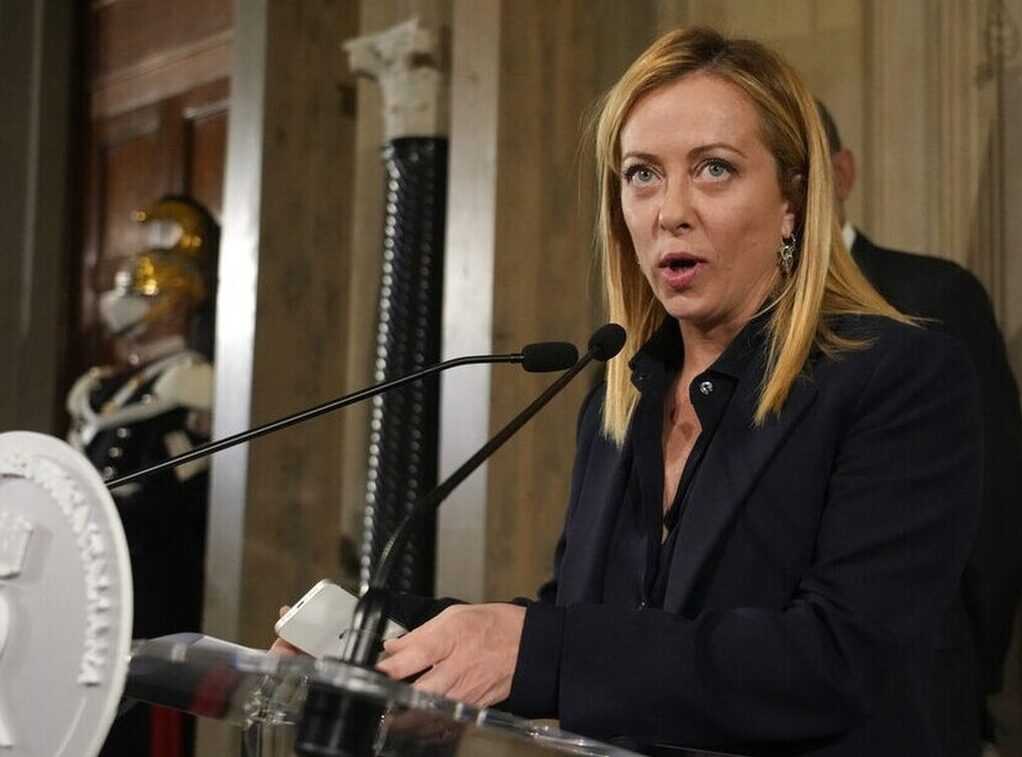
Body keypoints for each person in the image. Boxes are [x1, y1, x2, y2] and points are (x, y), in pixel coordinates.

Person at [302, 28, 981, 755]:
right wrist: (380, 635)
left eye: (714, 169)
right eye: (642, 175)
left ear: (794, 198)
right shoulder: (619, 399)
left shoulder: (898, 378)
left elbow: (838, 660)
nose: (669, 211)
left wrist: (537, 649)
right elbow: (588, 622)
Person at [815, 101, 1022, 755]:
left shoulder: (933, 297)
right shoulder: (721, 321)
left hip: (916, 694)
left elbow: (993, 509)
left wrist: (972, 671)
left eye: (805, 170)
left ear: (843, 173)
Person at [68, 196, 217, 757]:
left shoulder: (193, 385)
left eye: (140, 292)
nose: (121, 303)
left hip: (148, 593)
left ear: (175, 307)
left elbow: (183, 501)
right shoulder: (107, 387)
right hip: (89, 585)